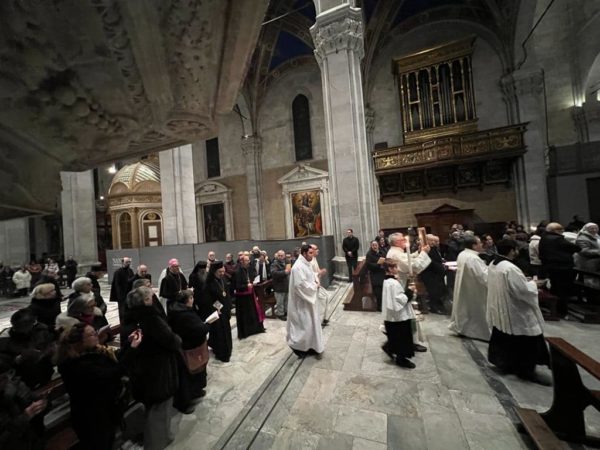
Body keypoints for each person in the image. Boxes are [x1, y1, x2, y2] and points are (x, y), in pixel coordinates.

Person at [56, 323, 141, 450]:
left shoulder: (92, 355)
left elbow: (114, 365)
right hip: (91, 417)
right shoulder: (77, 365)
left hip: (105, 411)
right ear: (79, 342)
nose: (96, 335)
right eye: (91, 334)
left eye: (95, 331)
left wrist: (128, 344)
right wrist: (132, 349)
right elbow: (113, 373)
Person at [122, 286, 181, 450]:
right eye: (150, 297)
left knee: (156, 409)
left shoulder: (131, 317)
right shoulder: (151, 319)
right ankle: (155, 444)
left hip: (143, 371)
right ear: (146, 300)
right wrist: (176, 338)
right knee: (159, 411)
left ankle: (165, 437)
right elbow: (172, 341)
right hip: (158, 372)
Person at [486, 240, 550, 384]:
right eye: (515, 250)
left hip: (502, 307)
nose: (517, 252)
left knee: (505, 336)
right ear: (511, 250)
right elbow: (522, 291)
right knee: (526, 340)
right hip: (515, 310)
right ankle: (525, 371)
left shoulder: (494, 264)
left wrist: (524, 280)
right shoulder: (510, 268)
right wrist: (534, 284)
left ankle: (507, 364)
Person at [167, 290, 210, 413]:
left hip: (190, 346)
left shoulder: (179, 310)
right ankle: (185, 402)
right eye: (191, 298)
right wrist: (207, 325)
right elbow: (197, 329)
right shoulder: (184, 315)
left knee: (196, 372)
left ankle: (196, 392)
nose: (193, 300)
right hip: (187, 349)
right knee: (187, 375)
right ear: (186, 301)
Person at [0, 308, 55, 389]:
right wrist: (18, 359)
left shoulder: (40, 329)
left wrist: (47, 352)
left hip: (45, 373)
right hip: (23, 381)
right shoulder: (4, 340)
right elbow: (3, 365)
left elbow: (49, 343)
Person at [448, 235, 490, 341]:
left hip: (467, 287)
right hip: (475, 290)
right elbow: (484, 277)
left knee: (466, 309)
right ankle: (478, 332)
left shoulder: (462, 254)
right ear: (474, 245)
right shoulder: (473, 258)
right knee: (476, 311)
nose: (482, 244)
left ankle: (465, 329)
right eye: (479, 243)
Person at [0, 357, 47, 450]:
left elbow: (35, 403)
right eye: (3, 379)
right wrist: (26, 416)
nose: (7, 381)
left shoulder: (17, 386)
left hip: (33, 441)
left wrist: (42, 404)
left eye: (7, 376)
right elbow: (4, 438)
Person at [381, 261, 421, 369]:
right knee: (402, 336)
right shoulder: (393, 283)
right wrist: (410, 291)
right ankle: (401, 359)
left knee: (394, 335)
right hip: (398, 316)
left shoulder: (388, 280)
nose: (397, 269)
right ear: (390, 269)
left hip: (391, 315)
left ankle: (389, 348)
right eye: (395, 267)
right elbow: (400, 299)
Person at [286, 244, 323, 359]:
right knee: (304, 327)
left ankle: (311, 346)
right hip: (302, 302)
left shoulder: (306, 263)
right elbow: (300, 286)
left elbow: (310, 275)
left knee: (311, 325)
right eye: (310, 253)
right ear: (304, 253)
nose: (312, 255)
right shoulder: (297, 267)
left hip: (309, 301)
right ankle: (299, 348)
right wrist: (315, 286)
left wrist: (317, 276)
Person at [539, 222, 581, 317]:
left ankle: (555, 309)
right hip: (562, 268)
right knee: (563, 290)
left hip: (550, 267)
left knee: (555, 288)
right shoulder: (557, 239)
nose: (562, 232)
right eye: (561, 230)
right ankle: (562, 311)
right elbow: (576, 248)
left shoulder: (544, 238)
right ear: (556, 231)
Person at [203, 261, 233, 362]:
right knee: (219, 332)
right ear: (214, 271)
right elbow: (208, 299)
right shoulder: (209, 283)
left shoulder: (223, 279)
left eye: (223, 271)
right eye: (220, 272)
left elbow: (226, 294)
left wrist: (228, 307)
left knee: (226, 331)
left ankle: (228, 349)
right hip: (216, 312)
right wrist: (218, 308)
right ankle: (221, 353)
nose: (222, 273)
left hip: (224, 310)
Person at [233, 255, 265, 339]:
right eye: (247, 261)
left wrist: (251, 283)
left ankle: (253, 329)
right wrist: (247, 285)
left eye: (248, 260)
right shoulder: (237, 272)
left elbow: (247, 280)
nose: (249, 262)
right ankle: (246, 332)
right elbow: (237, 286)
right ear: (242, 262)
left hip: (249, 296)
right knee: (245, 316)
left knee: (252, 313)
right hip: (242, 299)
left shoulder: (246, 269)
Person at [418, 235, 447, 314]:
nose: (433, 242)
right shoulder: (426, 250)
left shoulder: (433, 248)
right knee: (433, 291)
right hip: (430, 273)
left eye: (434, 241)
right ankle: (434, 307)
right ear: (426, 240)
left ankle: (440, 305)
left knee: (439, 290)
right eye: (431, 240)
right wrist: (440, 268)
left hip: (436, 273)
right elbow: (430, 262)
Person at [110, 257, 134, 322]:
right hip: (122, 296)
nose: (128, 263)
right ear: (122, 262)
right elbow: (117, 285)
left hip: (129, 294)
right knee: (122, 312)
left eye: (129, 262)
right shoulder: (118, 272)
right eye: (127, 262)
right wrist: (120, 296)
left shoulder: (130, 271)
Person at [365, 240, 386, 312]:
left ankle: (384, 304)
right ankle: (379, 307)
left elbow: (385, 259)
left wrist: (384, 263)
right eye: (373, 245)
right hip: (375, 274)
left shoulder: (382, 252)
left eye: (376, 245)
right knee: (378, 292)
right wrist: (378, 265)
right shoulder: (369, 254)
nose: (375, 246)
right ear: (371, 246)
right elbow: (369, 265)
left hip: (382, 273)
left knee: (384, 290)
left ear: (378, 245)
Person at [270, 250, 290, 320]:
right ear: (277, 256)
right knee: (280, 302)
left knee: (286, 301)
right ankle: (280, 314)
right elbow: (274, 273)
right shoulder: (274, 264)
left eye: (282, 255)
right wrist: (285, 272)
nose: (280, 257)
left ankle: (285, 312)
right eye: (279, 255)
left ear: (284, 256)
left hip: (286, 285)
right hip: (279, 286)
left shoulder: (286, 262)